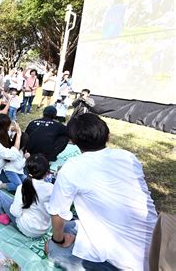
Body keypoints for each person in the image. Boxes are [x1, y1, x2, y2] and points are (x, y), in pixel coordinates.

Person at [46, 114, 157, 270]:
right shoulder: (128, 157)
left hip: (120, 263)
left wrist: (58, 241)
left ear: (72, 141)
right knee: (69, 227)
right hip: (157, 247)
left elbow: (57, 214)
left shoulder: (72, 167)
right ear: (108, 135)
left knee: (51, 248)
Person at [0, 154, 53, 236]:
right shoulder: (51, 188)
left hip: (27, 228)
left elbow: (15, 212)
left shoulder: (22, 188)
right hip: (43, 229)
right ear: (47, 173)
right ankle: (2, 217)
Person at [0, 114, 27, 193]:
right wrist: (18, 135)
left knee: (26, 183)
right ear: (4, 128)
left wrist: (14, 128)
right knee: (19, 187)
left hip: (9, 165)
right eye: (8, 126)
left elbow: (8, 130)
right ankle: (0, 185)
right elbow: (12, 156)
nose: (9, 128)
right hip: (0, 170)